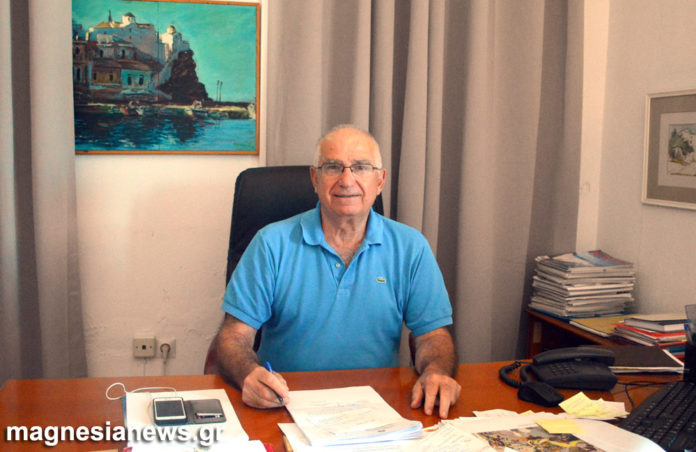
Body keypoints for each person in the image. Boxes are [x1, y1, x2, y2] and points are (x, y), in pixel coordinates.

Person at [215, 125, 461, 418]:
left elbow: (433, 337)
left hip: (379, 408)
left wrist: (436, 371)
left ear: (380, 180)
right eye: (333, 167)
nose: (346, 180)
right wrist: (249, 373)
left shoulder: (410, 247)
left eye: (361, 167)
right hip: (284, 405)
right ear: (314, 179)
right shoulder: (271, 244)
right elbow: (234, 336)